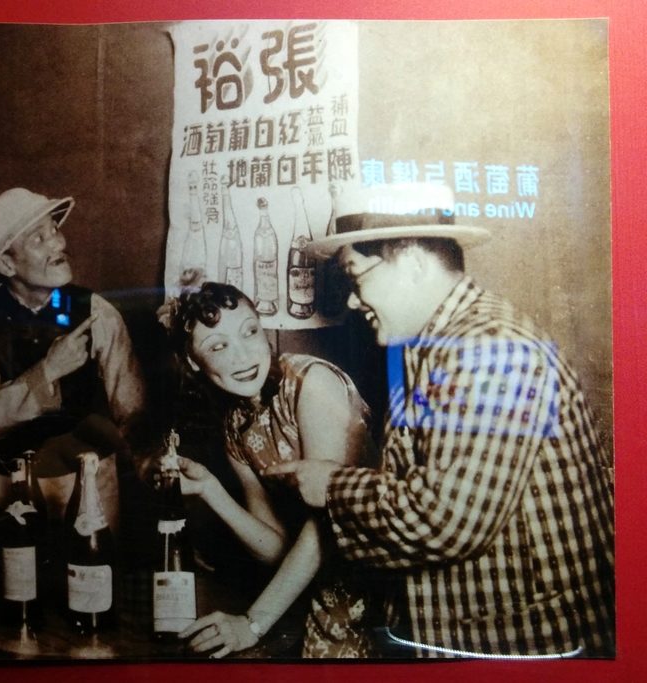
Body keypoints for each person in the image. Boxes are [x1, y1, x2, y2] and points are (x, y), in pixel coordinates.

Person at [264, 182, 615, 657]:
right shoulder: (435, 344)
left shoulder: (489, 349)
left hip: (531, 643)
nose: (351, 301)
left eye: (355, 276)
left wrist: (331, 486)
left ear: (412, 264)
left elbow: (444, 519)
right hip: (483, 637)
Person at [163, 281, 378, 658]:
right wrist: (212, 490)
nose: (243, 355)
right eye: (218, 346)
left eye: (249, 332)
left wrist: (253, 622)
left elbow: (325, 525)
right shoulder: (236, 424)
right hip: (308, 590)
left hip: (375, 586)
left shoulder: (312, 384)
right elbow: (275, 549)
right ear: (195, 362)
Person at [0, 187, 146, 526]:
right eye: (38, 238)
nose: (58, 244)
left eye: (54, 229)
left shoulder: (97, 312)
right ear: (6, 263)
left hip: (89, 484)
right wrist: (48, 371)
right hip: (5, 487)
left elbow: (132, 412)